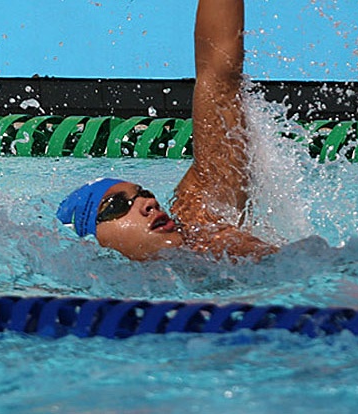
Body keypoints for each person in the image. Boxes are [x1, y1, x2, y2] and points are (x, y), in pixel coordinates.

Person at [57, 0, 278, 261]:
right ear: (92, 244)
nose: (148, 203)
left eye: (144, 194)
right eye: (116, 206)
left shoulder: (205, 227)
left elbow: (220, 76)